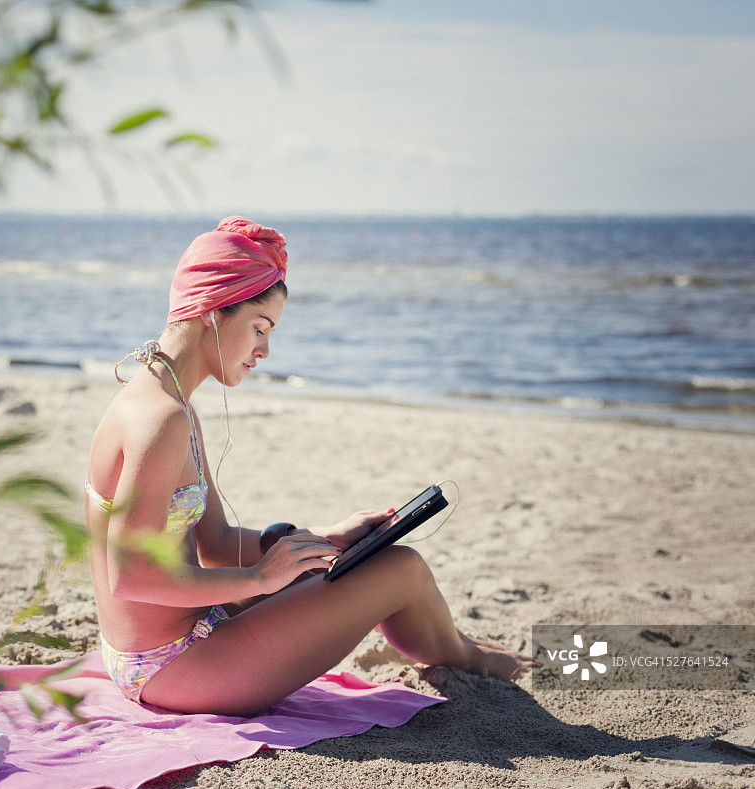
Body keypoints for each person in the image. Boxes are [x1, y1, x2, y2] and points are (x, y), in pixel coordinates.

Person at [84, 216, 536, 716]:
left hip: (187, 635)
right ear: (212, 311)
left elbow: (213, 542)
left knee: (362, 559)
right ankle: (482, 660)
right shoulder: (160, 419)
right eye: (260, 328)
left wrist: (321, 537)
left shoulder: (171, 406)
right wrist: (259, 579)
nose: (265, 350)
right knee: (402, 570)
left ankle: (468, 652)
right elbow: (129, 576)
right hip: (171, 666)